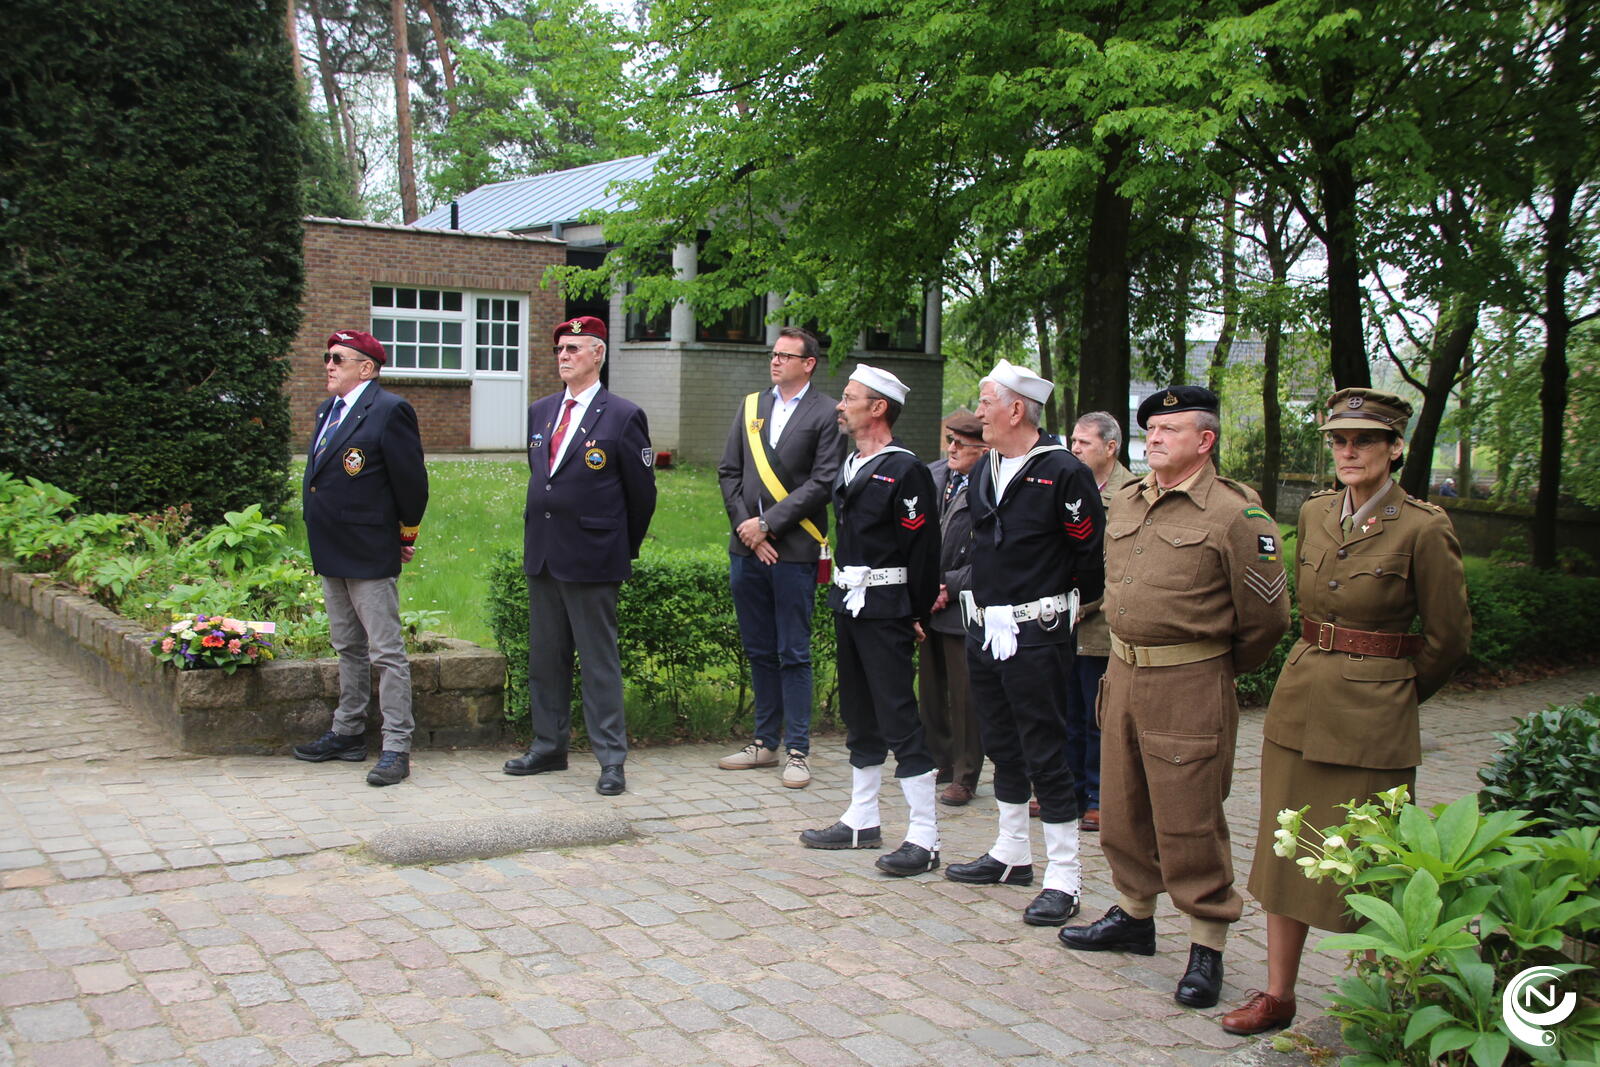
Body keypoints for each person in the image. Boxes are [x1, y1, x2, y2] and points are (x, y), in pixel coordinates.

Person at [1220, 388, 1469, 1036]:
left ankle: (1382, 994)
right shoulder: (1318, 510)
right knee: (1285, 848)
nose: (1349, 451)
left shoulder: (1422, 526)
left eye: (1364, 439)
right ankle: (1278, 994)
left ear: (1394, 448)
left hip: (1373, 715)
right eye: (1339, 439)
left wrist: (1396, 690)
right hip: (1301, 701)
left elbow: (1448, 638)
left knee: (1370, 854)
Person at [1058, 385, 1289, 1011]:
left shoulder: (1238, 515)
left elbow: (1266, 621)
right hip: (1123, 674)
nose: (1155, 438)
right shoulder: (1129, 501)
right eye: (1151, 429)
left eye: (1171, 429)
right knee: (1124, 809)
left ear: (1205, 440)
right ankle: (1135, 915)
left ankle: (1207, 944)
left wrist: (1209, 666)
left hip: (1190, 684)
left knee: (1189, 818)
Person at [945, 361, 1105, 927]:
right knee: (1001, 743)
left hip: (1036, 633)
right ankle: (1011, 853)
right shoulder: (987, 467)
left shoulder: (1064, 471)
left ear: (1016, 409)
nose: (978, 410)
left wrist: (1053, 606)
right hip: (984, 629)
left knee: (1046, 748)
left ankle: (1065, 876)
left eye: (986, 400)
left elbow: (1089, 555)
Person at [503, 316, 657, 796]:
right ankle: (548, 747)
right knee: (546, 657)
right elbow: (542, 479)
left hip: (593, 556)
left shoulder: (622, 415)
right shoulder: (541, 410)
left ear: (597, 354)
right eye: (559, 350)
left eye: (573, 348)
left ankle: (611, 760)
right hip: (545, 554)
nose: (563, 356)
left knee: (597, 662)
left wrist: (617, 548)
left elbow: (641, 495)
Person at [799, 365, 943, 876]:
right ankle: (862, 817)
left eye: (849, 398)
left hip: (887, 609)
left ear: (877, 408)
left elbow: (923, 550)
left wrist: (918, 611)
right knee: (860, 713)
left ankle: (924, 836)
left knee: (898, 715)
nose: (840, 405)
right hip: (850, 602)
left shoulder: (905, 470)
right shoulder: (851, 461)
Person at [293, 329, 429, 787]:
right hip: (330, 546)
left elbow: (411, 482)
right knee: (347, 646)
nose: (328, 365)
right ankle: (348, 733)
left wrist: (404, 533)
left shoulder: (389, 411)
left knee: (386, 652)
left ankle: (396, 747)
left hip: (369, 548)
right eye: (326, 357)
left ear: (366, 368)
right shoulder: (327, 410)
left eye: (338, 358)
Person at [715, 327, 844, 789]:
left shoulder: (829, 412)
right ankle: (765, 742)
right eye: (773, 354)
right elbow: (729, 471)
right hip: (746, 546)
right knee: (759, 648)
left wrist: (769, 525)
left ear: (808, 363)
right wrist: (748, 529)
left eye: (786, 356)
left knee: (793, 650)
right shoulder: (752, 406)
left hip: (794, 548)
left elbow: (823, 481)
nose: (775, 362)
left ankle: (798, 750)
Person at [1064, 411, 1137, 831]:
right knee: (1068, 711)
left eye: (1084, 443)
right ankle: (1070, 789)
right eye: (1073, 441)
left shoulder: (1132, 493)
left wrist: (1086, 603)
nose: (1074, 449)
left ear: (1111, 447)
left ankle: (1098, 795)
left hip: (1099, 625)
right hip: (1064, 620)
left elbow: (1123, 563)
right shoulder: (1070, 485)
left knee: (1098, 716)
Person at [918, 410, 988, 807]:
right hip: (929, 599)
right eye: (950, 440)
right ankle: (938, 759)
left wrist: (951, 585)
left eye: (962, 443)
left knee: (964, 695)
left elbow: (994, 554)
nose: (952, 448)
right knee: (930, 687)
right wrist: (924, 585)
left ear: (984, 448)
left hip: (964, 603)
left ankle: (965, 773)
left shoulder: (991, 484)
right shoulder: (932, 475)